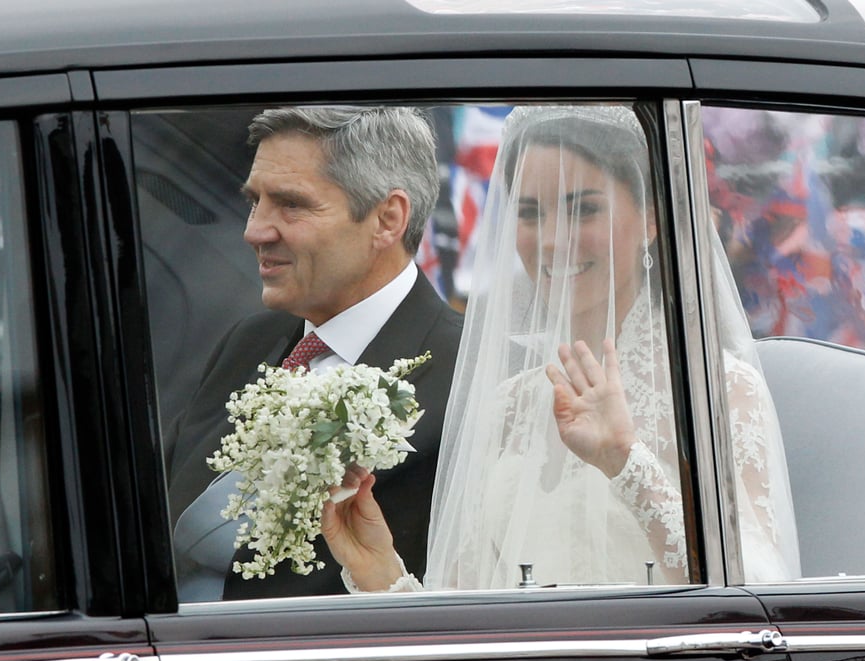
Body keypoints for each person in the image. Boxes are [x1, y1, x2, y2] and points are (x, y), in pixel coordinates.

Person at [322, 104, 800, 592]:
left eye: (583, 208)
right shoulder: (508, 405)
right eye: (530, 214)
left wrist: (626, 461)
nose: (552, 241)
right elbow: (463, 621)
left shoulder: (716, 390)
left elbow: (758, 589)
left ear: (652, 219)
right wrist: (378, 570)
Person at [166, 106, 463, 601]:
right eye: (254, 202)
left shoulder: (462, 378)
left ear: (388, 219)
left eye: (291, 205)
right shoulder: (250, 342)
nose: (255, 230)